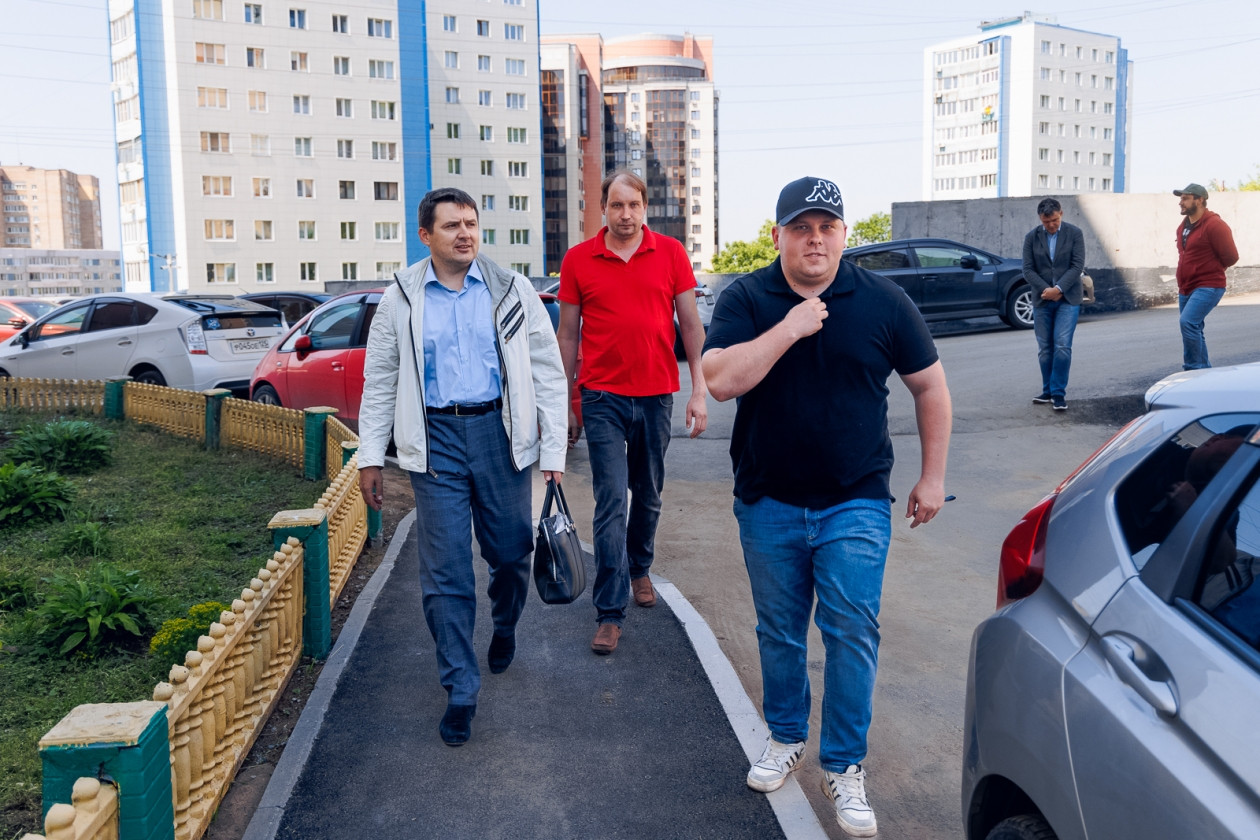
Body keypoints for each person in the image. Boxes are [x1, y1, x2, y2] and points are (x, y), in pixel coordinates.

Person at [701, 176, 951, 837]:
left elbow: (930, 387)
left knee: (851, 632)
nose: (815, 239)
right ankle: (786, 736)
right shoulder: (748, 297)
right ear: (778, 235)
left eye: (827, 227)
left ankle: (843, 764)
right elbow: (720, 381)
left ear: (843, 234)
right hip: (768, 500)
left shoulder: (883, 301)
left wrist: (932, 477)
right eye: (801, 228)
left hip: (855, 500)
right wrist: (789, 328)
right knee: (779, 631)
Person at [356, 187, 567, 747]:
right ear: (425, 235)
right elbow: (380, 379)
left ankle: (504, 625)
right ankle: (460, 688)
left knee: (511, 555)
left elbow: (547, 371)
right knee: (446, 571)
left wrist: (553, 453)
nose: (465, 233)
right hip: (435, 441)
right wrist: (370, 456)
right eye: (452, 225)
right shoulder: (401, 297)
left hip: (499, 435)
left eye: (471, 222)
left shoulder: (511, 289)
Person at [556, 169, 709, 655]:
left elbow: (690, 324)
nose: (626, 214)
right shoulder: (579, 259)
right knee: (610, 502)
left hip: (656, 395)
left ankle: (640, 566)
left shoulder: (671, 253)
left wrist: (699, 389)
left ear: (645, 208)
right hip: (602, 398)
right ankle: (609, 611)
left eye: (634, 205)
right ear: (603, 208)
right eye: (617, 205)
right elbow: (567, 335)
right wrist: (564, 403)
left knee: (648, 495)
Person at [1021, 197, 1086, 411]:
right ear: (1040, 219)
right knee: (1045, 348)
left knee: (1062, 346)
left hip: (1068, 298)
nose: (1051, 225)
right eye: (1046, 222)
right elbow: (1027, 269)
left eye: (1055, 220)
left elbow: (1077, 266)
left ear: (1061, 214)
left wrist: (1058, 289)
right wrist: (1047, 291)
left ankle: (1058, 393)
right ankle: (1047, 390)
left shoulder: (1074, 233)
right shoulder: (1031, 237)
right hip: (1042, 299)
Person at [1173, 183, 1239, 370]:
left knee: (1188, 322)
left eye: (1185, 198)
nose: (1181, 202)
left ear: (1199, 200)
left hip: (1209, 285)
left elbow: (1231, 257)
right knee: (1194, 327)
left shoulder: (1215, 225)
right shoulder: (1183, 227)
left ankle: (1193, 369)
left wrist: (1210, 270)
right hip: (1186, 286)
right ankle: (1203, 371)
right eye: (1181, 198)